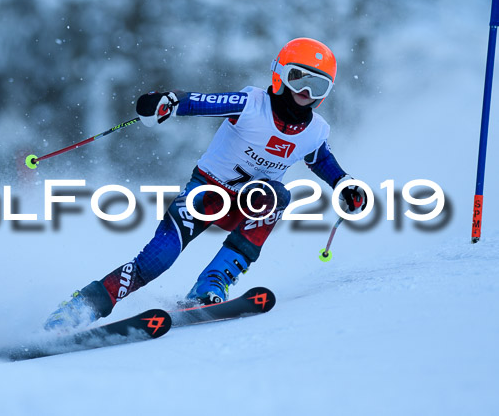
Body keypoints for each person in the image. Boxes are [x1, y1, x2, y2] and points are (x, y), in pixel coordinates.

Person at [44, 37, 367, 330]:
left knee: (277, 195)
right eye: (299, 79)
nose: (305, 93)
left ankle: (211, 284)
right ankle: (81, 307)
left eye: (318, 86)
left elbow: (322, 161)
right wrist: (168, 101)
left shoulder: (315, 131)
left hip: (248, 204)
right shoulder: (251, 104)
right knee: (157, 260)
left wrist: (345, 184)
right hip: (206, 193)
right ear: (280, 74)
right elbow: (201, 102)